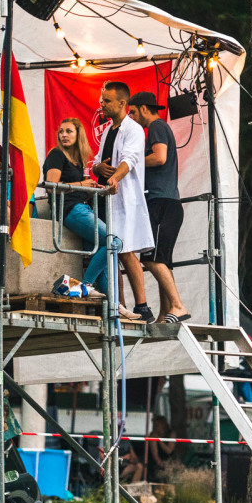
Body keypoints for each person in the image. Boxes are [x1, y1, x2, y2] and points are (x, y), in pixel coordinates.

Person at [92, 82, 155, 323]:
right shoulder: (108, 130)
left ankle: (143, 306)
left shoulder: (134, 130)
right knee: (113, 253)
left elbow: (130, 159)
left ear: (122, 103)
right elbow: (99, 160)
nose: (102, 104)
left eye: (106, 101)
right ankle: (121, 306)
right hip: (108, 200)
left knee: (127, 251)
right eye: (102, 100)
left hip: (124, 198)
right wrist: (99, 168)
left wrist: (115, 178)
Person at [127, 93, 191, 323]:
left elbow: (160, 157)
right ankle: (165, 314)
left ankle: (178, 305)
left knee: (150, 258)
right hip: (167, 203)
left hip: (161, 202)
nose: (131, 117)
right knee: (161, 259)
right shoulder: (158, 128)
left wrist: (130, 163)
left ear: (144, 108)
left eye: (133, 112)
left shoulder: (156, 126)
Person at [41, 117, 115, 297]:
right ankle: (84, 285)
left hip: (82, 207)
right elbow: (51, 186)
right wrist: (82, 185)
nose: (64, 135)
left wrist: (89, 189)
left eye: (68, 131)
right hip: (71, 210)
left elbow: (72, 187)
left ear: (78, 134)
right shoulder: (56, 154)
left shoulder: (77, 161)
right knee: (113, 242)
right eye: (61, 131)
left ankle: (114, 306)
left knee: (101, 254)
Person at [145, 414, 176, 482]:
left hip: (169, 459)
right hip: (157, 462)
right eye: (155, 424)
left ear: (163, 425)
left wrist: (159, 440)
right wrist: (161, 464)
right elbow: (155, 455)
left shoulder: (171, 434)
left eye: (157, 424)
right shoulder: (153, 436)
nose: (156, 426)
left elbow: (169, 451)